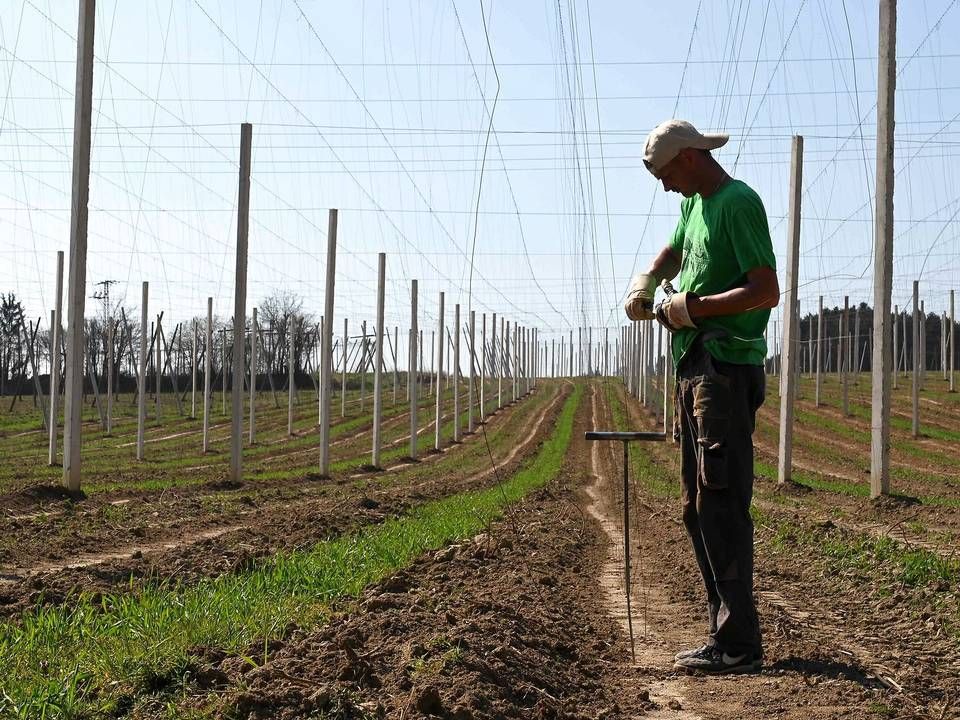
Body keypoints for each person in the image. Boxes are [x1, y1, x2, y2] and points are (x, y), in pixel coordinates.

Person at [624, 119, 779, 674]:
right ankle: (723, 635)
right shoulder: (693, 206)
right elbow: (674, 250)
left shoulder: (738, 203)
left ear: (689, 159)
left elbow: (766, 290)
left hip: (724, 367)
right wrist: (646, 281)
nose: (666, 187)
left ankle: (739, 644)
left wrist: (694, 307)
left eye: (667, 175)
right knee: (695, 507)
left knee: (720, 499)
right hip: (694, 367)